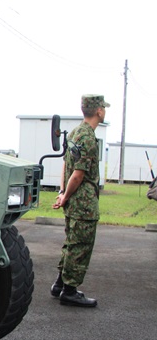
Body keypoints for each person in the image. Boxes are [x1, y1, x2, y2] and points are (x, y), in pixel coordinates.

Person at [50, 94, 109, 307]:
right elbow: (78, 174)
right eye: (103, 107)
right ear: (99, 111)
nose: (104, 111)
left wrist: (62, 193)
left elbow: (66, 165)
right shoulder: (89, 138)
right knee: (81, 246)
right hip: (84, 204)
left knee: (71, 244)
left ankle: (59, 285)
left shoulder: (75, 132)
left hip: (73, 201)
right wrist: (65, 195)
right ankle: (70, 291)